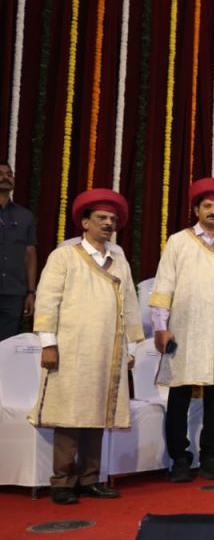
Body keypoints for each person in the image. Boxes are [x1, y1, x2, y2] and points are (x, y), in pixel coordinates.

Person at [31, 189, 143, 504]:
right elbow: (47, 301)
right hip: (71, 349)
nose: (108, 224)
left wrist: (130, 347)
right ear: (85, 223)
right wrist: (48, 344)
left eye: (112, 219)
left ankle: (91, 478)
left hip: (108, 350)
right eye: (101, 218)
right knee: (70, 413)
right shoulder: (64, 256)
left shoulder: (118, 259)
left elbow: (130, 303)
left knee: (99, 411)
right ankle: (62, 482)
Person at [149, 178, 214, 482]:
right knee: (179, 393)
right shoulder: (178, 242)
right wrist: (160, 327)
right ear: (196, 210)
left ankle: (209, 457)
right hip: (184, 329)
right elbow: (164, 284)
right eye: (207, 206)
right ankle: (179, 458)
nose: (213, 211)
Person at [0, 162, 37, 341]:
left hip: (13, 293)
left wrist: (31, 292)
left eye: (9, 174)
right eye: (0, 174)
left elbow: (30, 254)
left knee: (6, 345)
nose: (5, 177)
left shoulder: (25, 216)